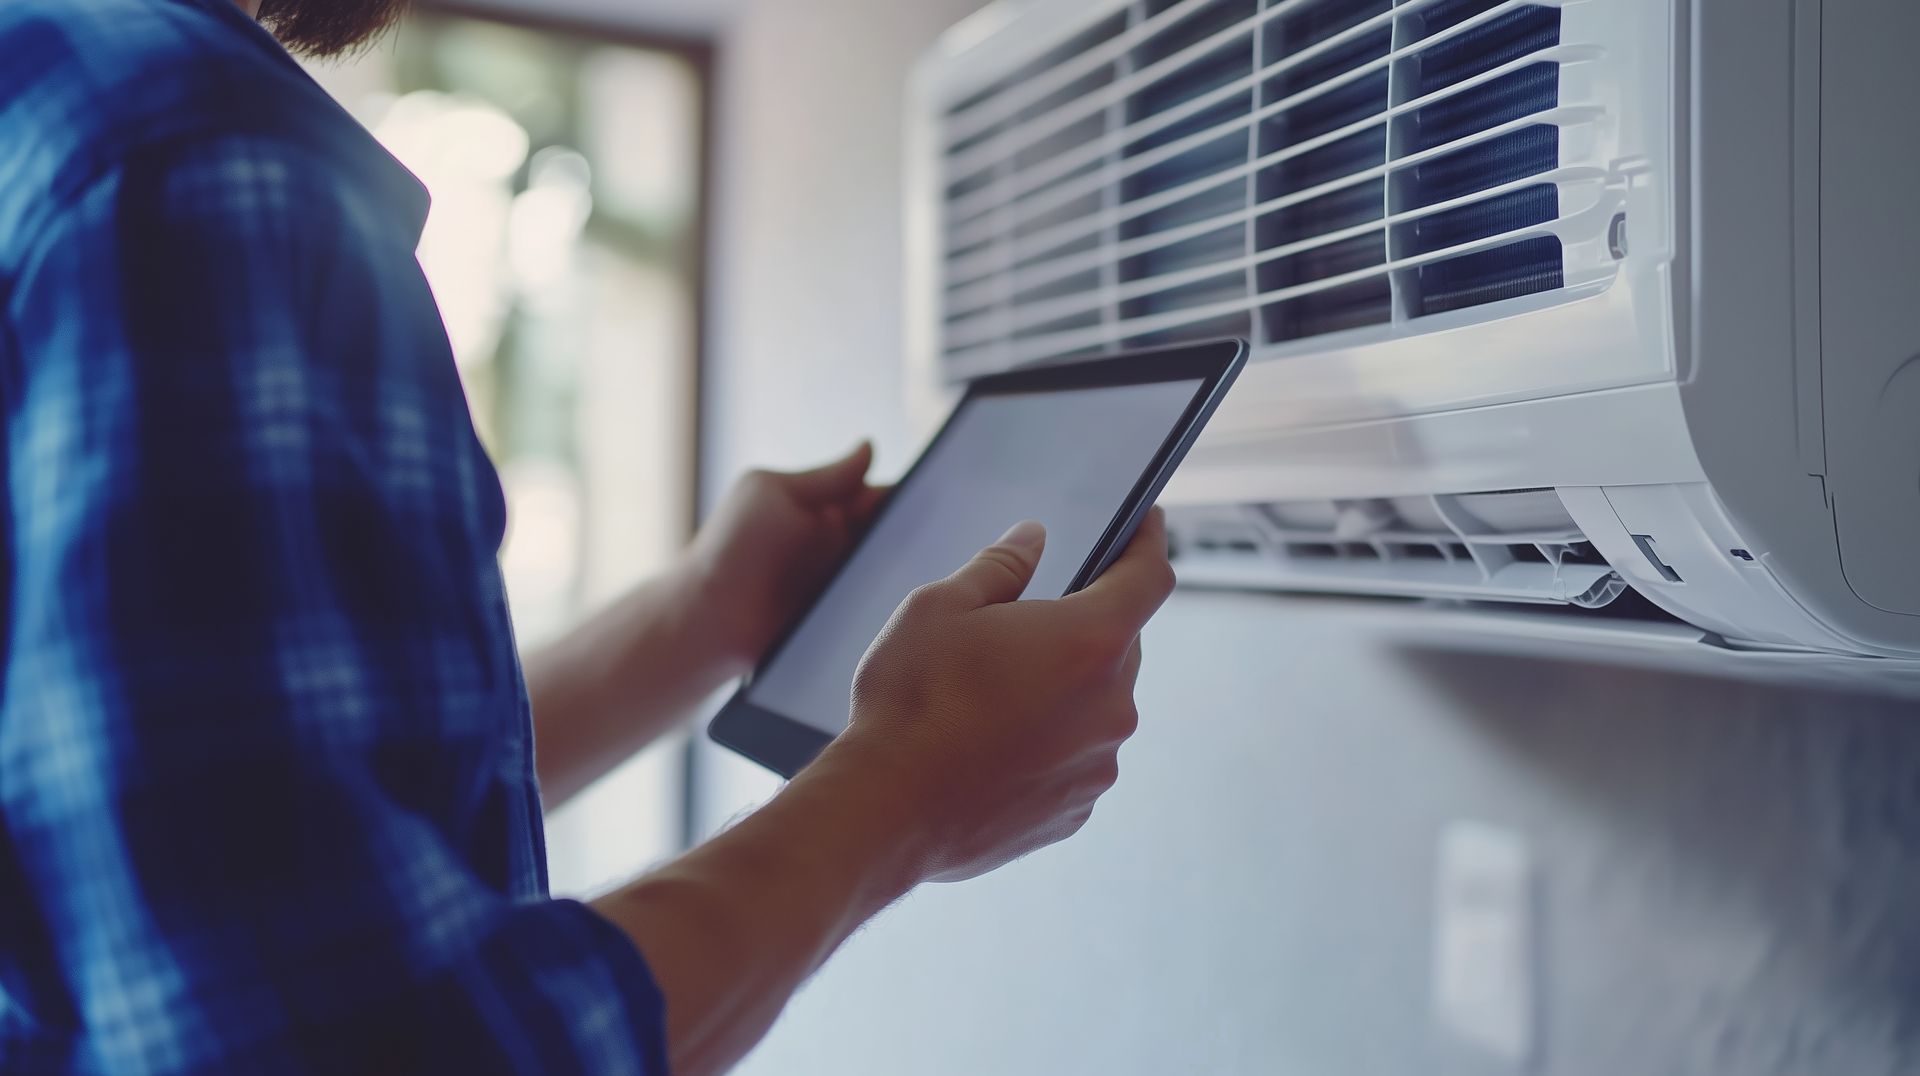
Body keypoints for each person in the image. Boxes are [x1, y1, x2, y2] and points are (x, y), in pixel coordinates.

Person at [0, 0, 1176, 1073]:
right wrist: (906, 789)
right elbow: (364, 1043)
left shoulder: (54, 94)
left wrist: (697, 621)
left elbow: (245, 818)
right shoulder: (191, 164)